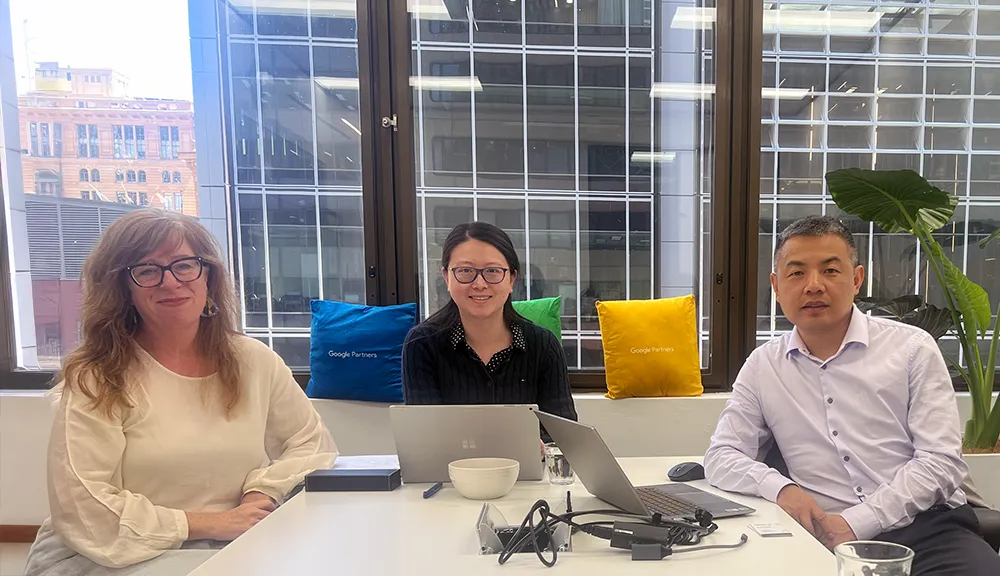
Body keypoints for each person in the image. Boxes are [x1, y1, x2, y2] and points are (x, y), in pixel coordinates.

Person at [24, 209, 338, 576]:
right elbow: (83, 505)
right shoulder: (97, 376)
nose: (170, 282)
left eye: (184, 265)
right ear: (123, 290)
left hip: (235, 537)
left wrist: (262, 493)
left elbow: (312, 445)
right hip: (109, 552)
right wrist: (204, 523)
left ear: (209, 276)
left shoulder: (254, 360)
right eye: (147, 270)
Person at [704, 215, 1000, 575]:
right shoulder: (763, 366)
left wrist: (858, 521)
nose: (813, 286)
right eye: (796, 273)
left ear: (856, 279)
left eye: (830, 271)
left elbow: (940, 463)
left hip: (926, 530)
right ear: (776, 287)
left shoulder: (911, 349)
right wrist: (782, 489)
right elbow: (722, 456)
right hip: (817, 533)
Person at [402, 222, 577, 426]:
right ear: (446, 277)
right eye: (465, 271)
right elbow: (423, 435)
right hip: (449, 460)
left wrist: (536, 444)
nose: (479, 284)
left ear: (511, 279)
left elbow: (563, 434)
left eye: (492, 271)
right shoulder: (422, 344)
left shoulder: (544, 345)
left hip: (526, 459)